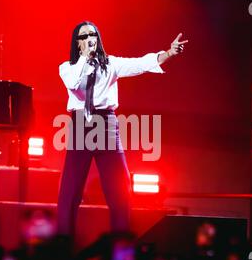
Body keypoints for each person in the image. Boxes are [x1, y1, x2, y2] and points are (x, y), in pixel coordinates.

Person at [57, 21, 188, 236]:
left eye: (93, 34)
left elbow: (141, 64)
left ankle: (121, 251)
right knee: (70, 192)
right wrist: (85, 57)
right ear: (77, 43)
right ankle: (62, 247)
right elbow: (74, 84)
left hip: (106, 124)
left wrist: (168, 53)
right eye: (84, 36)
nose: (90, 38)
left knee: (120, 191)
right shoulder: (67, 67)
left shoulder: (111, 64)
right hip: (81, 125)